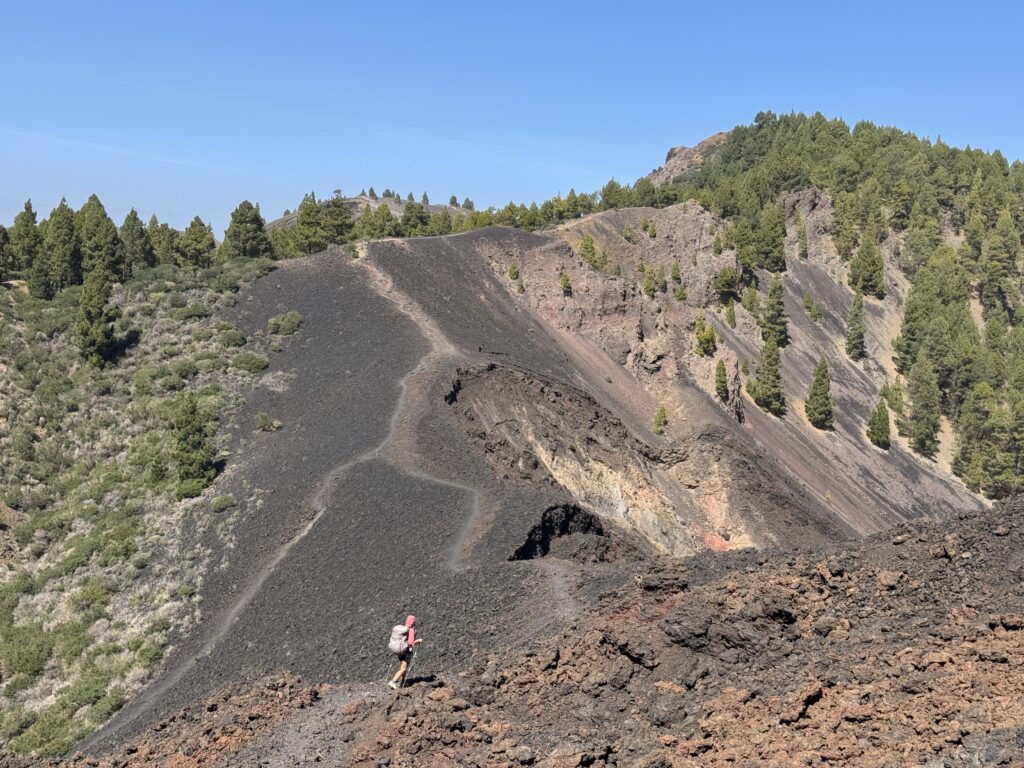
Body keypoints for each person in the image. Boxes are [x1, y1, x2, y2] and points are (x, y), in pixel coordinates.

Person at [387, 615, 422, 689]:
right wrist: (418, 641)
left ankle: (402, 683)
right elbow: (410, 643)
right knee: (403, 668)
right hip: (406, 651)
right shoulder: (410, 629)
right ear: (413, 622)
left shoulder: (403, 628)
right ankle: (393, 682)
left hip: (400, 651)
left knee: (403, 667)